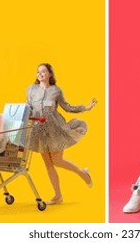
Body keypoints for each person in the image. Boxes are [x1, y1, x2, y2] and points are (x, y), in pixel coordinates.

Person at [27, 63, 96, 205]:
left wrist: (86, 107)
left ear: (50, 74)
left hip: (55, 129)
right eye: (38, 72)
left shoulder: (56, 91)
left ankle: (83, 174)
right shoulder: (31, 90)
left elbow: (67, 107)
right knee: (48, 164)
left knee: (57, 161)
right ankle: (58, 196)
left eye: (43, 71)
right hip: (39, 130)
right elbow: (28, 107)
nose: (40, 74)